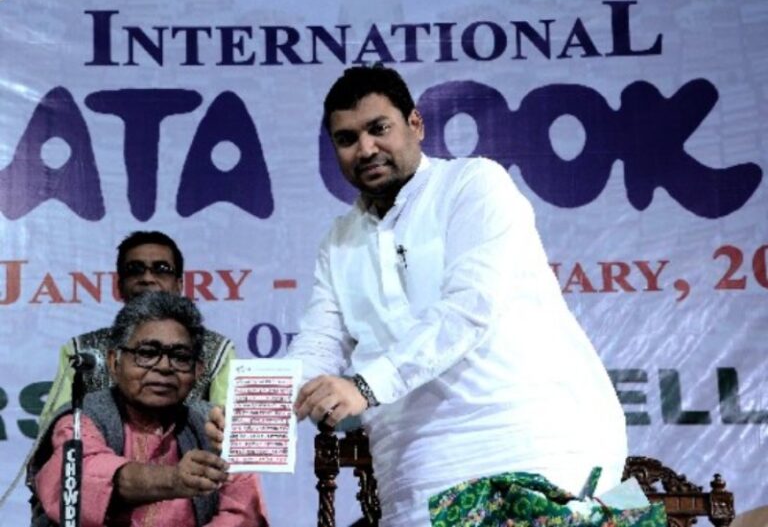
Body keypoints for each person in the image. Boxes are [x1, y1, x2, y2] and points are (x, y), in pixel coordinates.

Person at [208, 65, 628, 526]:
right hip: (414, 470)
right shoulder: (340, 240)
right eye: (347, 139)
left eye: (378, 128)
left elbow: (469, 309)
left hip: (528, 444)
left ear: (416, 125)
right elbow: (320, 344)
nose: (365, 148)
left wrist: (365, 386)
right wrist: (253, 419)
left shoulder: (473, 185)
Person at [28, 291, 268, 527]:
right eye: (147, 353)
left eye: (180, 356)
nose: (164, 367)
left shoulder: (212, 425)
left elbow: (243, 512)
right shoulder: (81, 419)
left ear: (198, 371)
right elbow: (83, 478)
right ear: (114, 362)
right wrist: (174, 479)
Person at [38, 231, 234, 433]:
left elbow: (226, 426)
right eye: (135, 270)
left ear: (179, 284)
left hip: (187, 459)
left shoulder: (217, 350)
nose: (147, 278)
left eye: (162, 269)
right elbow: (55, 424)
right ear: (119, 286)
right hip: (98, 458)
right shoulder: (83, 351)